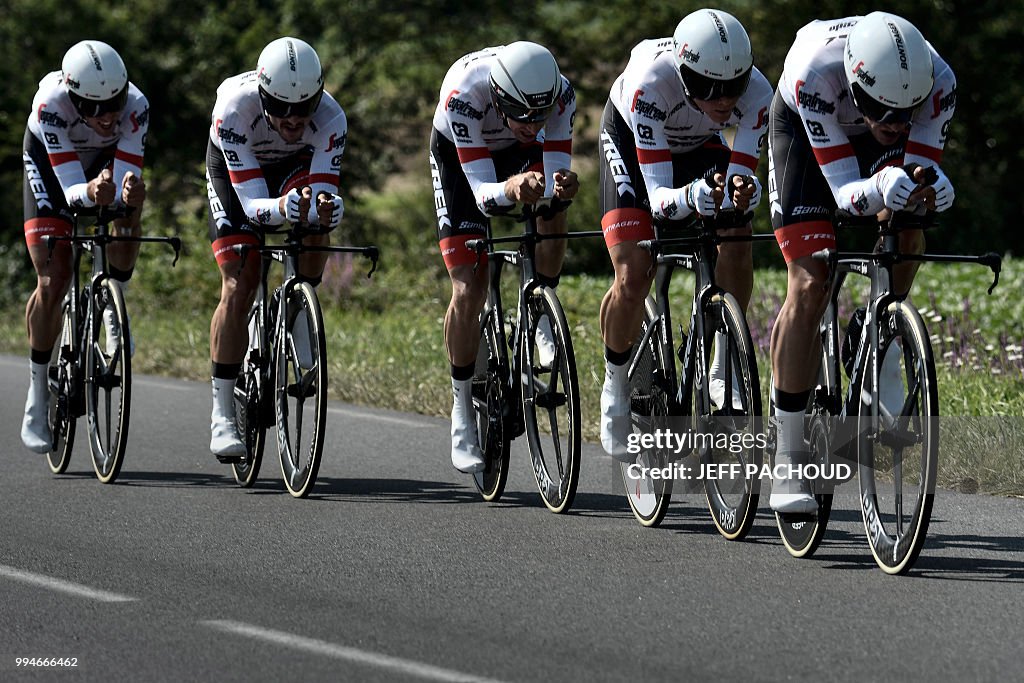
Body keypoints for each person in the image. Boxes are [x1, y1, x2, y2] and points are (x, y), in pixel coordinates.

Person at [766, 12, 956, 512]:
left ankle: (879, 334)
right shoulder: (815, 72)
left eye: (905, 113)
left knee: (909, 219)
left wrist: (930, 185)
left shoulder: (939, 82)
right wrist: (877, 187)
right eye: (882, 111)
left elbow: (916, 170)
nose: (894, 125)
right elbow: (847, 195)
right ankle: (787, 456)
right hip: (809, 138)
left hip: (860, 131)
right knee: (809, 282)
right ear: (856, 83)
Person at [598, 9, 772, 460]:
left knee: (736, 227)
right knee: (634, 269)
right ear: (683, 72)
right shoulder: (649, 85)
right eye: (708, 88)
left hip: (696, 146)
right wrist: (693, 196)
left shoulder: (758, 94)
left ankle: (722, 363)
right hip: (636, 149)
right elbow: (658, 200)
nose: (722, 100)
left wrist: (741, 191)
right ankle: (615, 383)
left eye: (732, 87)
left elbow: (741, 179)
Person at [430, 41, 579, 473]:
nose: (533, 125)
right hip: (463, 158)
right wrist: (513, 187)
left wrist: (558, 187)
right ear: (499, 98)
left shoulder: (560, 95)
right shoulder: (464, 95)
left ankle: (541, 313)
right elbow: (482, 196)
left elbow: (555, 172)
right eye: (524, 115)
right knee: (468, 287)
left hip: (513, 153)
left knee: (553, 206)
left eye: (541, 116)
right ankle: (461, 411)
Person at [205, 36, 347, 462]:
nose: (292, 118)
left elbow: (321, 193)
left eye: (303, 107)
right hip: (239, 175)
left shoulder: (331, 118)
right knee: (240, 281)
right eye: (281, 107)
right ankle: (222, 414)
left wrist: (327, 208)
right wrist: (283, 207)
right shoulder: (234, 111)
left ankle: (300, 302)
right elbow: (250, 206)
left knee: (314, 218)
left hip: (292, 166)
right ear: (264, 95)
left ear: (317, 98)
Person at [20, 40, 148, 453]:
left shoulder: (136, 106)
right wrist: (91, 191)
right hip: (54, 165)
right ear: (74, 98)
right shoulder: (51, 106)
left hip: (102, 162)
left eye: (115, 102)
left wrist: (124, 194)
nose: (109, 114)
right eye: (94, 108)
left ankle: (114, 303)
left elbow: (120, 190)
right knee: (53, 277)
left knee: (128, 210)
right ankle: (38, 391)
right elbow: (73, 192)